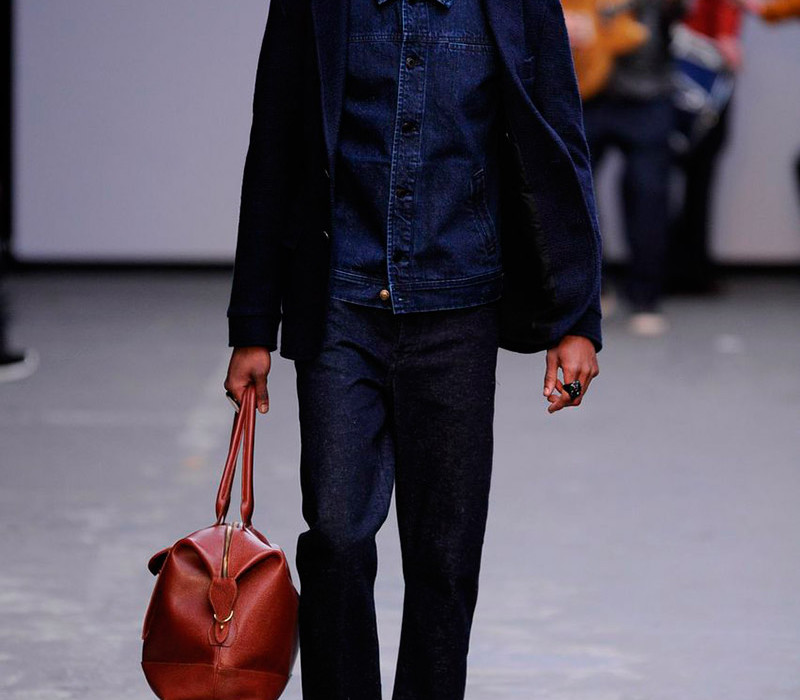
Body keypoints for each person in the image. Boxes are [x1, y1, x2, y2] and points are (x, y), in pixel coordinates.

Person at [223, 1, 602, 698]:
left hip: (460, 305)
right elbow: (272, 143)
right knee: (336, 535)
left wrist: (577, 317)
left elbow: (560, 143)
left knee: (445, 557)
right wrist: (252, 323)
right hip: (341, 302)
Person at [575, 0, 686, 336]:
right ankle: (591, 291)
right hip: (585, 87)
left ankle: (646, 297)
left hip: (648, 91)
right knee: (574, 194)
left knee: (648, 194)